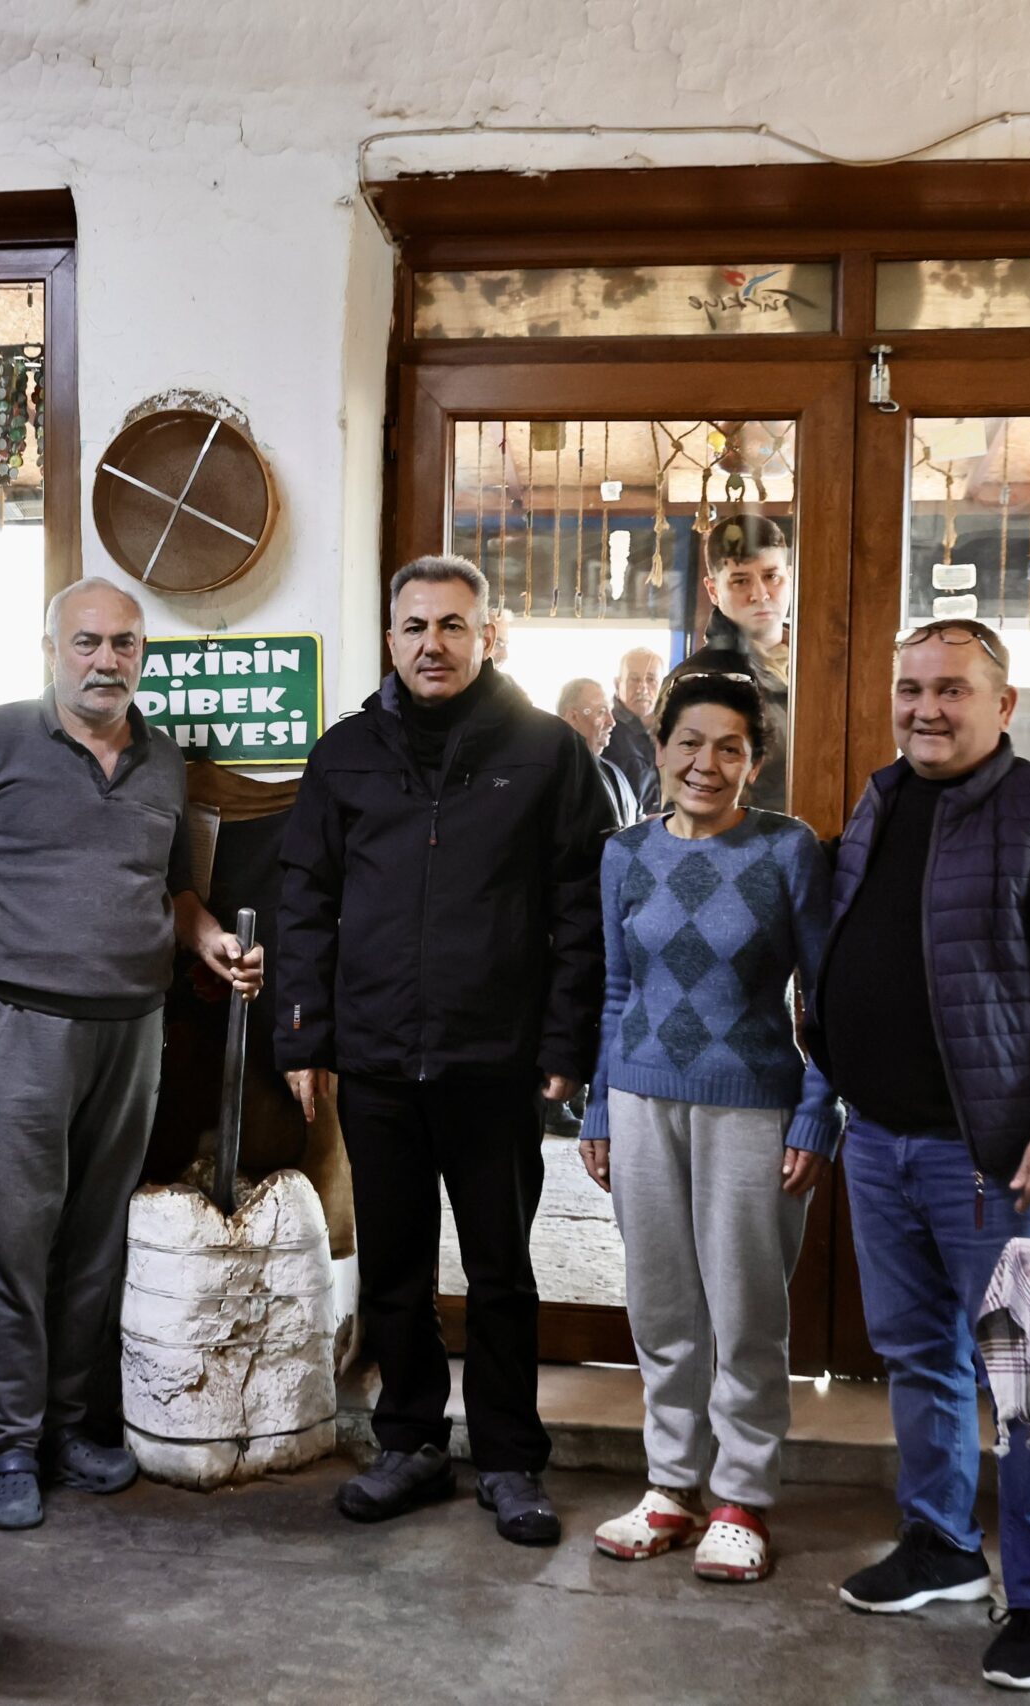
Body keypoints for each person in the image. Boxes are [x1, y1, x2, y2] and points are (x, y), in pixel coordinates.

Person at [805, 618, 1030, 1692]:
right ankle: (941, 1541)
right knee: (917, 1354)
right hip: (882, 1140)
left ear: (1003, 705)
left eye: (951, 689)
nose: (924, 708)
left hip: (1000, 1157)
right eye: (910, 687)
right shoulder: (879, 800)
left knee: (1029, 1381)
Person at [272, 555, 609, 1548]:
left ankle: (508, 1457)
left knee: (502, 1268)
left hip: (494, 1058)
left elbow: (581, 909)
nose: (433, 642)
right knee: (394, 1265)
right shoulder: (346, 754)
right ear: (390, 638)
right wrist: (304, 1034)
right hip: (374, 1057)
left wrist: (566, 1039)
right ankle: (410, 1442)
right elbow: (305, 900)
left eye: (453, 625)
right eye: (415, 625)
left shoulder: (547, 752)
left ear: (486, 635)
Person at [0, 576, 262, 1531]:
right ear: (49, 647)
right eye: (87, 643)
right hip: (17, 1024)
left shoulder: (161, 761)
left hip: (132, 1027)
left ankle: (71, 1428)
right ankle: (6, 1446)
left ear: (142, 656)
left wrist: (207, 942)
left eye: (123, 645)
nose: (105, 662)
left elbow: (176, 892)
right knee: (14, 1243)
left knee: (94, 1241)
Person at [578, 671, 837, 1582]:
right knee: (660, 1304)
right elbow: (616, 991)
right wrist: (601, 1102)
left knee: (746, 1308)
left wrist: (818, 1107)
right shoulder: (624, 855)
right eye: (690, 742)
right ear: (658, 751)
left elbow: (827, 996)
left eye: (731, 747)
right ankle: (671, 1488)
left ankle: (742, 1497)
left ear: (755, 763)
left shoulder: (787, 851)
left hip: (755, 1104)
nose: (707, 763)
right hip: (643, 1101)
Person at [672, 513, 794, 812]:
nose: (760, 594)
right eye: (741, 581)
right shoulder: (697, 682)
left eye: (771, 576)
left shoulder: (826, 667)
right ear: (713, 590)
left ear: (789, 576)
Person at [556, 677, 640, 829]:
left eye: (609, 710)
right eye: (601, 712)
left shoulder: (615, 772)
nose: (611, 722)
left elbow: (638, 821)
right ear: (573, 717)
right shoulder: (553, 775)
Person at [608, 647, 666, 815]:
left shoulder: (672, 731)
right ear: (618, 684)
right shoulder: (606, 732)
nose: (642, 688)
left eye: (651, 679)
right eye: (634, 679)